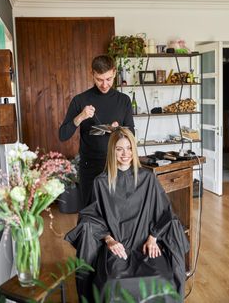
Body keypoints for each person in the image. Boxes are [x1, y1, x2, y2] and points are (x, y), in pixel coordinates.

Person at [65, 128, 189, 302]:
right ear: (112, 152)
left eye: (129, 148)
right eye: (119, 149)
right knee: (111, 283)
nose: (125, 154)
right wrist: (109, 240)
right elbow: (90, 217)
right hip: (118, 247)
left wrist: (153, 237)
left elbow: (165, 212)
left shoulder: (148, 178)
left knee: (162, 279)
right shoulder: (101, 182)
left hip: (145, 243)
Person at [59, 55, 134, 208]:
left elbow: (131, 134)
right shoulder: (80, 100)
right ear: (92, 73)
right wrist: (80, 117)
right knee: (90, 212)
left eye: (108, 79)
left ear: (114, 72)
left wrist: (119, 130)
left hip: (117, 165)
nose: (104, 84)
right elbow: (63, 135)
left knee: (117, 211)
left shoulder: (124, 100)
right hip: (90, 167)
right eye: (99, 79)